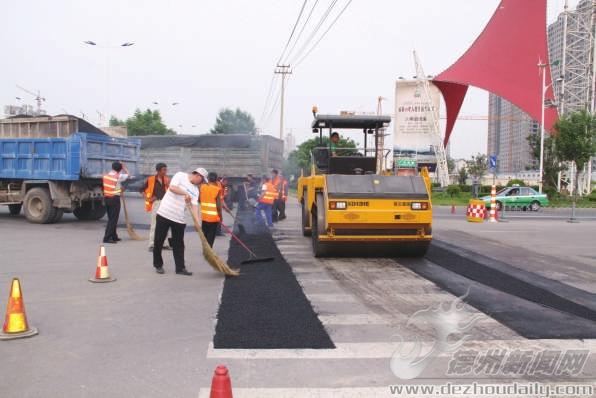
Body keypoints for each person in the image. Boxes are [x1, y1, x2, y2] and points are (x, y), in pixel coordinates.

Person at [153, 167, 208, 276]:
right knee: (158, 241)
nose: (201, 183)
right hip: (164, 213)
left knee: (179, 244)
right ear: (198, 176)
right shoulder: (180, 175)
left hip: (179, 219)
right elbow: (172, 188)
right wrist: (185, 193)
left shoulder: (196, 190)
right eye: (202, 180)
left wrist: (198, 223)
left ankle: (180, 268)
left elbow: (195, 207)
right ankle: (158, 265)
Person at [141, 162, 171, 252]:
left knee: (165, 224)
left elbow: (171, 191)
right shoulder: (150, 179)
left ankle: (164, 244)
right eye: (164, 170)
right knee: (155, 224)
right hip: (156, 203)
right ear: (158, 171)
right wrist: (148, 199)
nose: (166, 171)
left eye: (166, 169)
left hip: (166, 204)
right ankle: (151, 245)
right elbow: (141, 190)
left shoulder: (167, 180)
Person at [102, 161, 129, 244]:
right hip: (114, 199)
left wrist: (119, 190)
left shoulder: (105, 176)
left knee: (111, 218)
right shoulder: (119, 176)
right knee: (113, 219)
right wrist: (124, 167)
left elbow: (112, 187)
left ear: (112, 167)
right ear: (120, 169)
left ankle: (114, 236)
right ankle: (107, 238)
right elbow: (128, 175)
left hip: (107, 198)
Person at [200, 172, 222, 247]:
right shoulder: (217, 189)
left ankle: (205, 248)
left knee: (205, 233)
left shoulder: (202, 187)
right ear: (216, 180)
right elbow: (219, 206)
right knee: (211, 235)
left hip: (204, 216)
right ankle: (209, 250)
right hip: (213, 217)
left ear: (208, 178)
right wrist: (220, 216)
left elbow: (199, 199)